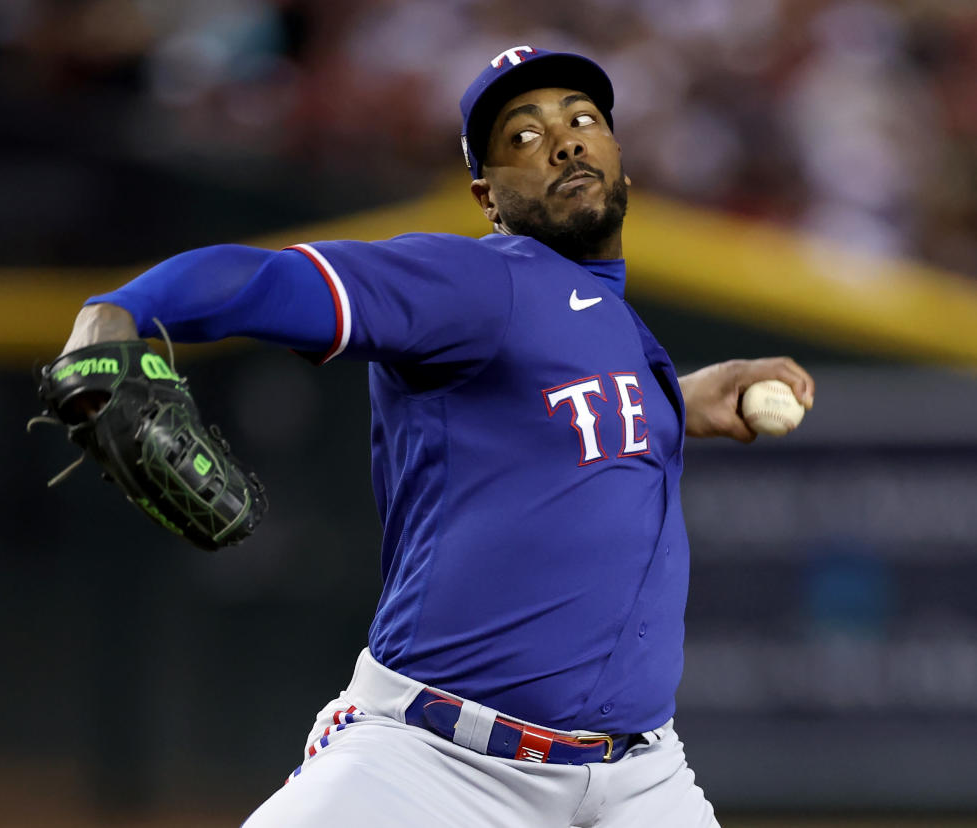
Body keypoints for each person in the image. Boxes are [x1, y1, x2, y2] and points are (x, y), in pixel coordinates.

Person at [60, 46, 815, 828]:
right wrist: (118, 310)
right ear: (487, 196)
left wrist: (678, 399)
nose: (564, 140)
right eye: (523, 136)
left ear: (623, 165)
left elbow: (562, 419)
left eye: (583, 120)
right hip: (438, 768)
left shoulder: (624, 334)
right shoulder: (476, 281)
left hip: (642, 780)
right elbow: (266, 279)